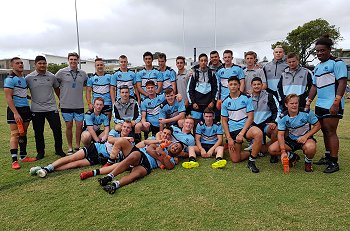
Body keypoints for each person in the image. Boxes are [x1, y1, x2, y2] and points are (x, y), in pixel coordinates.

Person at [306, 36, 348, 173]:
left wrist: (336, 102)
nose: (319, 53)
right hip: (320, 103)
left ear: (329, 50)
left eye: (322, 50)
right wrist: (308, 102)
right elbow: (314, 86)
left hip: (332, 103)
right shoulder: (317, 67)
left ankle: (334, 162)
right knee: (324, 130)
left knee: (331, 131)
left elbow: (342, 82)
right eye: (317, 51)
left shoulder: (337, 63)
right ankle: (328, 156)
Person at [29, 125, 133, 178]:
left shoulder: (130, 144)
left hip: (99, 158)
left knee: (76, 164)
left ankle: (44, 169)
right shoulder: (115, 132)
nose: (125, 129)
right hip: (96, 148)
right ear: (121, 127)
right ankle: (48, 168)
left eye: (128, 128)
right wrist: (125, 139)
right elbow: (110, 140)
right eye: (124, 127)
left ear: (130, 130)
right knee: (72, 157)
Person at [79, 126, 175, 180]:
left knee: (121, 166)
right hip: (137, 154)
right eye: (164, 133)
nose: (166, 136)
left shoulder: (167, 151)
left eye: (168, 135)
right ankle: (105, 164)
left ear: (170, 138)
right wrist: (158, 142)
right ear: (161, 133)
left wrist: (162, 154)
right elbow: (144, 144)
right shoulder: (153, 139)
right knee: (121, 144)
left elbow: (168, 165)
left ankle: (99, 174)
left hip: (145, 163)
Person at [96, 138, 183, 194]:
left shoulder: (172, 159)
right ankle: (109, 176)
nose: (175, 148)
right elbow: (149, 149)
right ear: (172, 144)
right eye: (176, 145)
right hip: (141, 154)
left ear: (178, 153)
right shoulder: (162, 145)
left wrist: (163, 155)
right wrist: (162, 159)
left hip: (147, 165)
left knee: (137, 174)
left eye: (178, 149)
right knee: (123, 143)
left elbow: (169, 167)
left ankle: (115, 185)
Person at [268, 94, 321, 173]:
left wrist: (305, 136)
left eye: (296, 103)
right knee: (272, 149)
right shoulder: (283, 117)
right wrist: (283, 151)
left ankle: (308, 163)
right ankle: (293, 157)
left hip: (305, 139)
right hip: (291, 140)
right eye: (291, 103)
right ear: (286, 105)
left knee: (310, 148)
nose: (294, 105)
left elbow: (318, 125)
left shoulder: (306, 113)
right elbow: (281, 134)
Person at [26, 55, 65, 159]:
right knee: (38, 132)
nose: (42, 65)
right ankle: (40, 152)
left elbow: (57, 89)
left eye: (44, 63)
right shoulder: (29, 78)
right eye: (40, 63)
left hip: (51, 108)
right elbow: (20, 91)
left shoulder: (52, 76)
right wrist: (29, 97)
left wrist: (61, 100)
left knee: (57, 129)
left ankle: (59, 150)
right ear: (35, 65)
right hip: (36, 109)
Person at [221, 76, 263, 173]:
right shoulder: (225, 102)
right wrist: (229, 138)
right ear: (228, 86)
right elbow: (224, 121)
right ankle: (253, 151)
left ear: (239, 85)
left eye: (235, 84)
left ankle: (252, 161)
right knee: (235, 159)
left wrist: (241, 133)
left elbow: (250, 117)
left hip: (245, 128)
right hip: (233, 130)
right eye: (231, 84)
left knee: (258, 133)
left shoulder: (246, 98)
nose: (233, 86)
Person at [4, 57, 37, 169]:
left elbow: (21, 93)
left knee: (23, 133)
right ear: (12, 66)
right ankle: (14, 160)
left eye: (21, 63)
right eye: (17, 63)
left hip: (25, 109)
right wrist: (15, 113)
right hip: (15, 110)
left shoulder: (23, 78)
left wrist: (30, 97)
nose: (20, 65)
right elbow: (8, 97)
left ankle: (23, 156)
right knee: (15, 133)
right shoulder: (10, 79)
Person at [55, 52, 88, 155]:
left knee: (79, 126)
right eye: (71, 59)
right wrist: (60, 97)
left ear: (78, 60)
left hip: (79, 105)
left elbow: (88, 86)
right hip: (66, 105)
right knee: (68, 126)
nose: (73, 61)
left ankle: (77, 146)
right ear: (68, 60)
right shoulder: (61, 72)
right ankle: (70, 147)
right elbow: (55, 85)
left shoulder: (83, 74)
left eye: (75, 59)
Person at [250, 77, 278, 154]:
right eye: (254, 84)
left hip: (267, 124)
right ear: (251, 86)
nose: (256, 86)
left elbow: (277, 111)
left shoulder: (269, 96)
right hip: (254, 126)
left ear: (262, 85)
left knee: (276, 129)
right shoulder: (247, 98)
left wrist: (274, 122)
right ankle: (258, 145)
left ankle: (273, 149)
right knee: (262, 151)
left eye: (258, 84)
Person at [188, 53, 217, 125]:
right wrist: (193, 102)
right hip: (196, 105)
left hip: (208, 105)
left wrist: (213, 101)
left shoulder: (212, 73)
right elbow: (190, 89)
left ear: (207, 61)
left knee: (208, 125)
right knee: (195, 125)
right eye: (201, 60)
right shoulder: (195, 73)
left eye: (205, 60)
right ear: (199, 61)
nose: (203, 62)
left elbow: (215, 89)